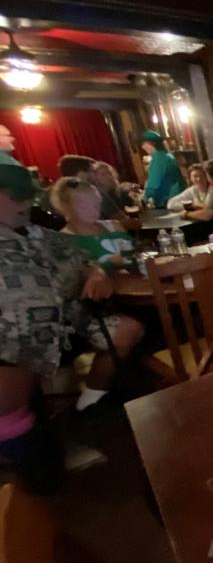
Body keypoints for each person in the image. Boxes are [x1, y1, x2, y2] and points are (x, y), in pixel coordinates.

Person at [0, 162, 143, 493]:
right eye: (13, 197)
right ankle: (27, 488)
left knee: (127, 330)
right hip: (14, 345)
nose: (24, 205)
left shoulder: (39, 235)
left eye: (26, 197)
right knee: (16, 419)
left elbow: (84, 260)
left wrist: (96, 272)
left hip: (67, 325)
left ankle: (87, 406)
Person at [50, 177, 136, 273]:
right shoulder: (65, 240)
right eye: (84, 207)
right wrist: (109, 263)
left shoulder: (114, 227)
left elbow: (135, 256)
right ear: (66, 207)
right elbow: (74, 276)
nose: (93, 211)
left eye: (96, 205)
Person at [140, 130, 185, 208]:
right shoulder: (168, 155)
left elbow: (154, 183)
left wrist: (145, 198)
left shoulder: (158, 158)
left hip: (168, 202)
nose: (142, 147)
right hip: (176, 197)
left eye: (144, 144)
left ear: (152, 143)